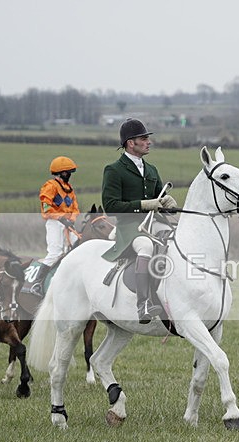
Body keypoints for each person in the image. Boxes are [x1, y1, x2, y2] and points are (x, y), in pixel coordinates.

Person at [101, 118, 178, 323]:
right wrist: (144, 205)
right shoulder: (114, 170)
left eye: (147, 138)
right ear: (130, 143)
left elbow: (158, 202)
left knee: (178, 237)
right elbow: (110, 207)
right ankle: (143, 303)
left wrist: (167, 205)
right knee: (145, 247)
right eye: (143, 138)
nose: (148, 142)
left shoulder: (151, 169)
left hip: (153, 223)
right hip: (129, 227)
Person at [31, 156, 80, 296]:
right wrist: (60, 218)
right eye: (68, 172)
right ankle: (37, 283)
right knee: (55, 253)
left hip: (67, 225)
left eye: (70, 172)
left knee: (77, 248)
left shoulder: (69, 189)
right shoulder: (50, 186)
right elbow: (46, 210)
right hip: (54, 223)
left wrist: (72, 218)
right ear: (61, 173)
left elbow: (75, 208)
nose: (70, 175)